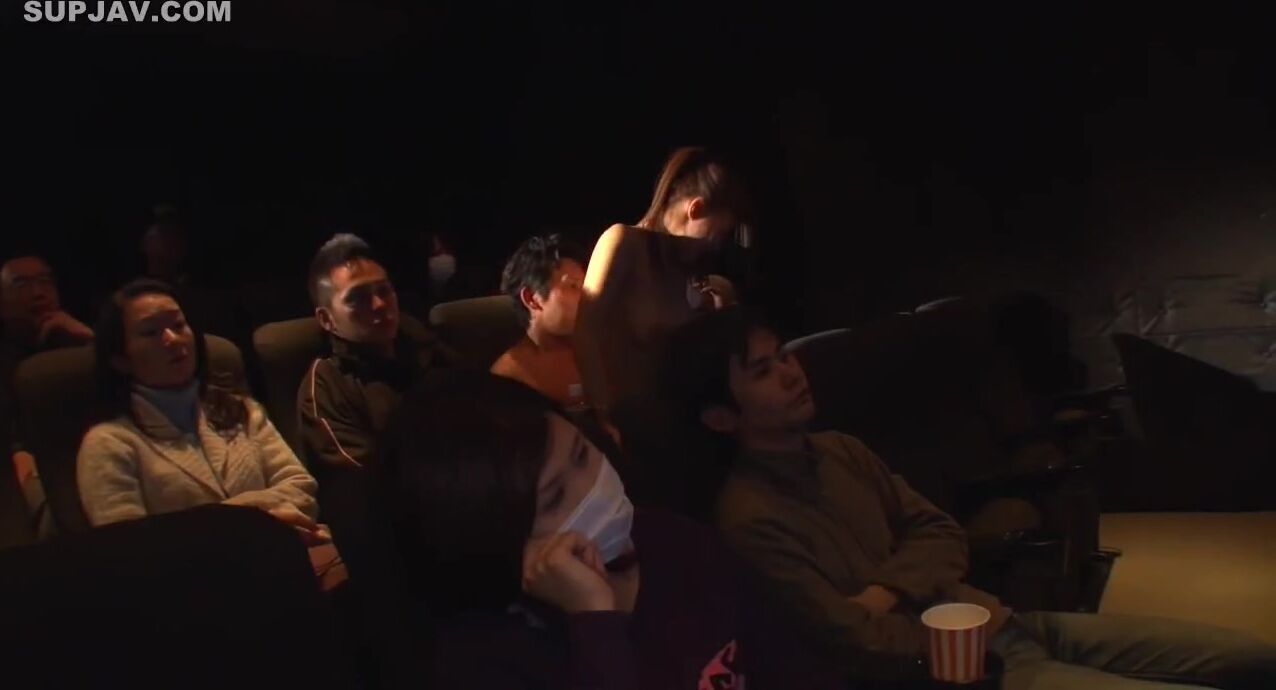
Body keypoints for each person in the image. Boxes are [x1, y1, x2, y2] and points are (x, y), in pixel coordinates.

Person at [665, 307, 1276, 689]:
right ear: (722, 417)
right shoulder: (749, 520)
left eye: (784, 357)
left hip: (1008, 620)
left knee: (1252, 657)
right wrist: (949, 634)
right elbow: (852, 640)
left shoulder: (840, 449)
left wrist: (888, 591)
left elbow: (940, 531)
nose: (791, 373)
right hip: (972, 668)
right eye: (763, 371)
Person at [372, 370, 841, 690]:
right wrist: (595, 623)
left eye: (582, 456)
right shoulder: (487, 660)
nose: (592, 487)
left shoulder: (669, 538)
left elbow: (787, 661)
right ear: (497, 541)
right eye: (555, 498)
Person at [76, 279, 325, 545]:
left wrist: (228, 520)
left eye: (178, 325)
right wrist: (244, 520)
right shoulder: (108, 444)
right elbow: (130, 547)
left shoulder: (240, 410)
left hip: (282, 556)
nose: (173, 339)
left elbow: (301, 487)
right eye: (150, 332)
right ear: (120, 360)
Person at [297, 233, 453, 565]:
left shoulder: (425, 348)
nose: (380, 305)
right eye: (358, 298)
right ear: (327, 319)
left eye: (384, 291)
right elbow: (365, 482)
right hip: (398, 538)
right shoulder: (326, 385)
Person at [574, 146, 750, 419]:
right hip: (631, 417)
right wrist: (604, 416)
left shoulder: (689, 270)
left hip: (686, 416)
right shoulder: (623, 242)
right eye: (716, 236)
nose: (714, 248)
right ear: (695, 209)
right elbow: (586, 332)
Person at [0, 254, 95, 541]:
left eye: (45, 281)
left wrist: (90, 339)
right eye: (22, 284)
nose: (39, 292)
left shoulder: (76, 340)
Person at [491, 234, 590, 406]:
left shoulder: (597, 353)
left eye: (585, 286)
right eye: (573, 286)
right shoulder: (510, 378)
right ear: (532, 299)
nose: (586, 296)